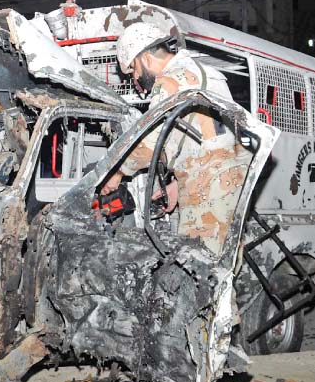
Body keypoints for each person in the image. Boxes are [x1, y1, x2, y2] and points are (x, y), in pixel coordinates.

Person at [101, 22, 250, 255]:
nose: (136, 79)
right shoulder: (205, 73)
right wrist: (178, 186)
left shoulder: (170, 82)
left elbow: (149, 144)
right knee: (221, 268)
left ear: (144, 59)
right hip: (229, 184)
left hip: (209, 193)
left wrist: (116, 173)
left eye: (133, 70)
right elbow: (209, 140)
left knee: (200, 272)